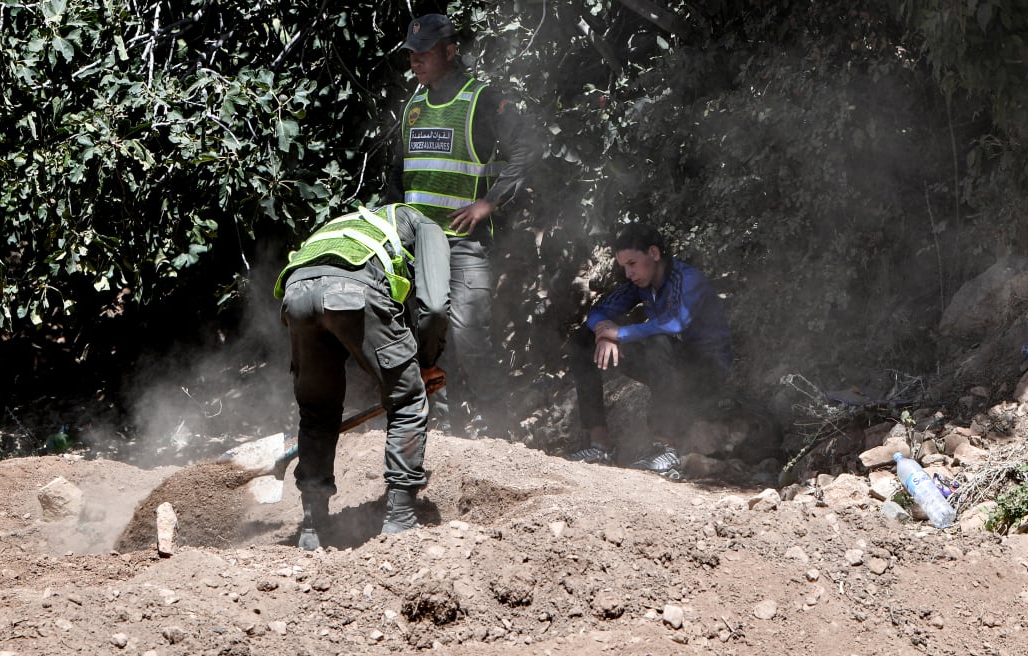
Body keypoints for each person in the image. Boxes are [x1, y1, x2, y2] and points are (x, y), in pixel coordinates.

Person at [388, 13, 537, 438]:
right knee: (431, 342)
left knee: (472, 339)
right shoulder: (413, 108)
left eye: (425, 52)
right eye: (411, 54)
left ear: (450, 51)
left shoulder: (482, 100)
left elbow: (525, 150)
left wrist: (488, 203)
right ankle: (442, 437)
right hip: (418, 247)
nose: (415, 60)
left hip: (465, 246)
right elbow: (398, 177)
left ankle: (499, 437)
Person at [273, 203, 450, 548]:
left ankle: (313, 526)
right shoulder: (427, 226)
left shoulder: (352, 223)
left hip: (295, 295)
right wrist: (427, 362)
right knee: (408, 398)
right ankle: (400, 519)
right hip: (352, 290)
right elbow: (436, 307)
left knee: (317, 412)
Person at [566, 224, 732, 474]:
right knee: (582, 340)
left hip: (706, 371)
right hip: (671, 367)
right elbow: (599, 311)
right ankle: (600, 446)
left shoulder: (687, 279)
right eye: (624, 266)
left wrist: (619, 333)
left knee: (658, 340)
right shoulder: (640, 285)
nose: (629, 272)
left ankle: (666, 449)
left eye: (632, 263)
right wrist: (603, 333)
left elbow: (674, 322)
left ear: (654, 253)